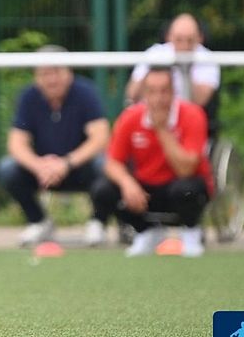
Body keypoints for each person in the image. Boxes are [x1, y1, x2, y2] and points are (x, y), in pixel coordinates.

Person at [91, 66, 213, 257]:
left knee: (186, 188)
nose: (158, 98)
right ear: (143, 93)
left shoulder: (192, 114)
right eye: (152, 91)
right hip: (147, 191)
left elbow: (187, 169)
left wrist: (162, 130)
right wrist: (128, 184)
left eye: (164, 91)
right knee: (103, 189)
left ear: (174, 92)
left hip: (181, 187)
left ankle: (191, 232)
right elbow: (112, 162)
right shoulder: (130, 117)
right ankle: (146, 231)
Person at [0, 45, 110, 247]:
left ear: (69, 72)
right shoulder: (29, 97)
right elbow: (16, 142)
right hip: (43, 171)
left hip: (79, 168)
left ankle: (97, 222)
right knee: (7, 168)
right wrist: (38, 165)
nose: (51, 79)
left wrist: (66, 163)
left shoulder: (86, 92)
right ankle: (39, 222)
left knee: (106, 165)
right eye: (44, 73)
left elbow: (100, 137)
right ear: (36, 76)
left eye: (56, 71)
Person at [125, 12, 221, 129]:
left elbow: (200, 101)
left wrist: (185, 67)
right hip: (153, 118)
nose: (184, 46)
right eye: (179, 39)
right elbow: (132, 94)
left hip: (190, 122)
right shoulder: (154, 54)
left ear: (199, 38)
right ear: (169, 37)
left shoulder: (207, 59)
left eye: (190, 40)